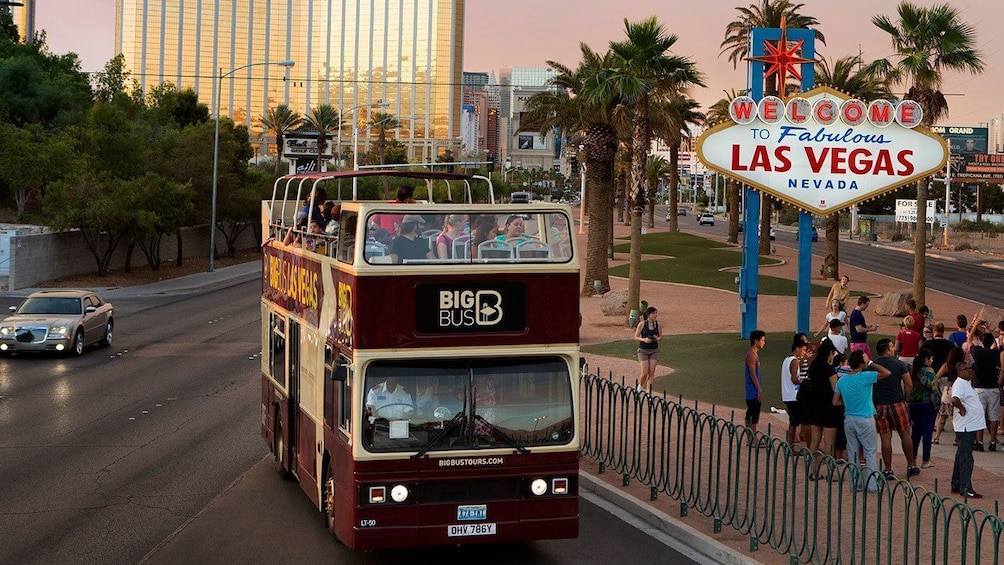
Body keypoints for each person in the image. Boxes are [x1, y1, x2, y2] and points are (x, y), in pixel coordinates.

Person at [833, 350, 891, 493]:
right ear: (861, 363)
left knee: (852, 452)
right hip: (865, 419)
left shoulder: (842, 380)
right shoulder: (866, 376)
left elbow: (835, 402)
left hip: (849, 419)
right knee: (870, 452)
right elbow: (886, 373)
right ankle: (872, 485)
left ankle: (855, 484)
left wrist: (848, 403)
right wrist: (871, 363)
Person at [871, 338, 917, 479]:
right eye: (891, 347)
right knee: (905, 435)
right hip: (898, 403)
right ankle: (910, 465)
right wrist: (906, 398)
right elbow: (909, 384)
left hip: (880, 405)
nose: (894, 349)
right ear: (886, 350)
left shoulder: (873, 366)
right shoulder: (899, 364)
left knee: (886, 438)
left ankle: (888, 469)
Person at [966, 313, 1004, 452]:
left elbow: (970, 341)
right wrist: (988, 330)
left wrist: (975, 325)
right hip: (993, 387)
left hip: (979, 388)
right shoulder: (995, 353)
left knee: (980, 415)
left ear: (982, 342)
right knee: (994, 416)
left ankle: (979, 441)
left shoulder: (978, 352)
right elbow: (995, 343)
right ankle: (992, 441)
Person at [804, 340, 841, 479]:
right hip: (828, 408)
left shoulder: (813, 366)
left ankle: (811, 471)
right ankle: (830, 472)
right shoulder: (829, 369)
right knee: (829, 442)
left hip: (815, 406)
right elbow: (835, 388)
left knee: (815, 440)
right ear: (830, 353)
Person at [951, 362, 985, 499]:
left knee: (961, 455)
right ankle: (966, 488)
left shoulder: (966, 383)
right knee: (966, 458)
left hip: (969, 426)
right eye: (966, 370)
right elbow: (954, 399)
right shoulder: (959, 384)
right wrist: (962, 409)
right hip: (966, 426)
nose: (970, 371)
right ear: (959, 372)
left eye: (970, 369)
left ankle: (957, 484)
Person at [907, 350, 938, 470]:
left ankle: (912, 459)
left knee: (915, 434)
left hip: (914, 404)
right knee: (927, 433)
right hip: (927, 404)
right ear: (926, 360)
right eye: (931, 359)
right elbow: (932, 386)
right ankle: (926, 460)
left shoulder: (913, 371)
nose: (932, 361)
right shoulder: (929, 371)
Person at [782, 334, 810, 447]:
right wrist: (803, 382)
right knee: (806, 421)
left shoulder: (786, 360)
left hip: (788, 396)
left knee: (793, 423)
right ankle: (810, 447)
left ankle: (790, 445)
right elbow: (794, 378)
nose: (803, 352)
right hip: (795, 396)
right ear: (797, 348)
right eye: (803, 350)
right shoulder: (794, 361)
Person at [933, 345, 964, 445]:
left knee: (942, 415)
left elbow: (936, 377)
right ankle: (956, 439)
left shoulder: (947, 365)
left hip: (948, 390)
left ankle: (937, 437)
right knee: (957, 417)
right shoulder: (962, 366)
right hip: (959, 391)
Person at [634, 306, 661, 392]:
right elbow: (636, 337)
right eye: (653, 313)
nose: (655, 315)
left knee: (651, 371)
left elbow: (660, 336)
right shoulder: (642, 324)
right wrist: (644, 339)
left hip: (654, 350)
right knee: (644, 372)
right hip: (643, 350)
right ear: (648, 315)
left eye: (656, 313)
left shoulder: (658, 324)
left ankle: (649, 392)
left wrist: (657, 338)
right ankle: (640, 386)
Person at [744, 330, 766, 437]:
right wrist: (759, 389)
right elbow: (753, 374)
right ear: (755, 341)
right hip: (753, 391)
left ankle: (750, 437)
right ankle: (753, 438)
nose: (763, 343)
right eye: (762, 340)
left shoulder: (753, 355)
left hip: (751, 390)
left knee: (750, 414)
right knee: (753, 415)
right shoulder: (752, 355)